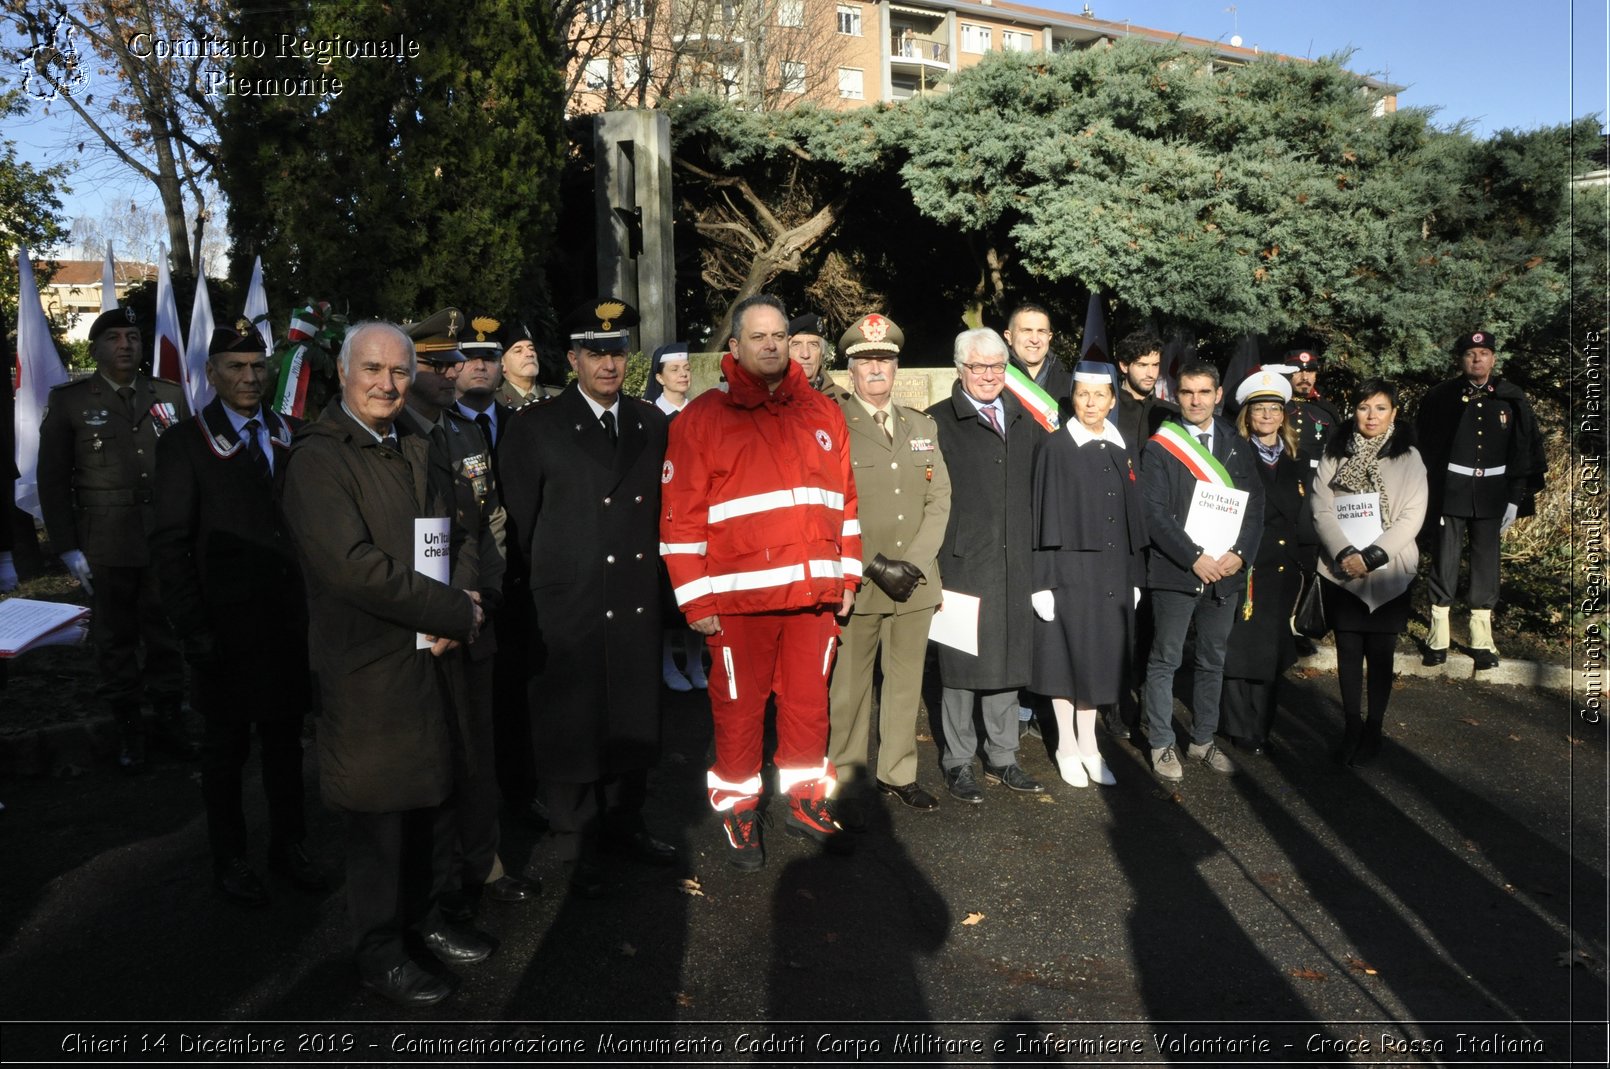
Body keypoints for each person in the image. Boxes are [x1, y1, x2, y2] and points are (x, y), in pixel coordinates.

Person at [280, 320, 488, 1008]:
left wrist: (461, 592)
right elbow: (352, 569)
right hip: (366, 665)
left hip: (430, 656)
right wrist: (452, 611)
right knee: (379, 818)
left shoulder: (417, 442)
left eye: (399, 372)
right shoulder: (318, 458)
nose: (387, 383)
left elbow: (456, 528)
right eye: (372, 369)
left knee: (434, 797)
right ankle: (379, 951)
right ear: (343, 373)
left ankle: (425, 919)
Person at [660, 294, 862, 869]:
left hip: (814, 598)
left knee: (807, 706)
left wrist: (847, 575)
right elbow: (679, 519)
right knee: (738, 711)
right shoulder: (703, 419)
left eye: (779, 336)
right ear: (736, 347)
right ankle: (739, 809)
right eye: (759, 337)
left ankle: (805, 801)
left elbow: (845, 503)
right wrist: (695, 599)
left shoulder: (822, 414)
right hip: (737, 601)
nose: (772, 345)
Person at [500, 298, 676, 897]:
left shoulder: (653, 424)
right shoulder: (534, 426)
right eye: (595, 352)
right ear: (572, 358)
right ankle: (573, 839)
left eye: (618, 351)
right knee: (572, 720)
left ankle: (626, 820)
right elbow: (520, 525)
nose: (608, 363)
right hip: (568, 599)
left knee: (631, 712)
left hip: (631, 595)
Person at [149, 324, 324, 906]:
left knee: (284, 746)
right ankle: (229, 857)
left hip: (287, 625)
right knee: (225, 754)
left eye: (257, 366)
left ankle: (289, 846)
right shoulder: (184, 444)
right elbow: (171, 545)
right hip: (224, 631)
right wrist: (192, 628)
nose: (250, 377)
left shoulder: (290, 434)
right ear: (212, 373)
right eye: (235, 367)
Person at [400, 310, 534, 917]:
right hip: (414, 633)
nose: (458, 370)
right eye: (442, 363)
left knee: (477, 753)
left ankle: (485, 862)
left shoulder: (463, 433)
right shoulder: (392, 436)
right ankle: (434, 880)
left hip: (472, 619)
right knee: (429, 761)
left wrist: (481, 599)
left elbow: (488, 524)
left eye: (458, 360)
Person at [37, 306, 193, 772]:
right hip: (104, 542)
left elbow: (185, 471)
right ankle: (128, 729)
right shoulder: (71, 401)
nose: (125, 345)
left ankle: (170, 721)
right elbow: (52, 478)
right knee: (114, 638)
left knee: (166, 633)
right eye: (114, 338)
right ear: (97, 348)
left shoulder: (168, 395)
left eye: (132, 336)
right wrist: (66, 545)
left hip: (162, 538)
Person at [826, 314, 952, 823]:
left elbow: (939, 498)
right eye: (865, 361)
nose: (875, 369)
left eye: (883, 360)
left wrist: (912, 564)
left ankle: (898, 772)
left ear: (896, 366)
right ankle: (847, 777)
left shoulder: (922, 425)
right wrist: (874, 564)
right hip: (860, 579)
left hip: (914, 582)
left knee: (904, 684)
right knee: (850, 689)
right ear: (850, 369)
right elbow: (828, 506)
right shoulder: (832, 423)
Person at [925, 327, 1044, 803]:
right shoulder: (935, 423)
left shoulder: (1023, 419)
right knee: (960, 667)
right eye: (978, 366)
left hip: (1015, 561)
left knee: (1008, 660)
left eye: (998, 366)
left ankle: (1003, 756)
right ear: (960, 370)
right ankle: (957, 761)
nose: (989, 375)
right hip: (962, 563)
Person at [1139, 361, 1264, 782]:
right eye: (1188, 392)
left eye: (1204, 392)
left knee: (1213, 659)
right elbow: (1153, 514)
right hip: (1178, 571)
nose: (1196, 400)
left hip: (1226, 571)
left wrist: (1242, 553)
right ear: (1176, 395)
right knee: (1165, 659)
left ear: (1218, 394)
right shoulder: (1160, 447)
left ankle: (1203, 740)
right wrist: (1193, 556)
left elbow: (1255, 503)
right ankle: (1160, 743)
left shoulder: (1234, 440)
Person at [1028, 361, 1144, 788]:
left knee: (1098, 660)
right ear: (1072, 398)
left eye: (1099, 396)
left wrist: (1134, 576)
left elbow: (1132, 518)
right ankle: (1066, 746)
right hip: (1068, 571)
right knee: (1065, 657)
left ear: (1113, 400)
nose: (1090, 403)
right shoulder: (1056, 447)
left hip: (1112, 572)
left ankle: (1090, 745)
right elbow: (1040, 516)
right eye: (1082, 395)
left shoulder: (1120, 446)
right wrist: (1041, 582)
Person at [1415, 331, 1547, 670]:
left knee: (1487, 563)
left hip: (1492, 495)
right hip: (1450, 491)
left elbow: (1522, 451)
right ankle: (1438, 636)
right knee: (1445, 558)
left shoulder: (1510, 398)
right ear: (1461, 359)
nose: (1478, 359)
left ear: (1494, 358)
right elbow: (1426, 448)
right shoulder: (1441, 397)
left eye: (1485, 352)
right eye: (1471, 353)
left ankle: (1482, 640)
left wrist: (1515, 499)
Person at [1312, 378, 1427, 765]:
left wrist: (1374, 555)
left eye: (1380, 408)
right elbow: (1320, 505)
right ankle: (1351, 726)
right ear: (1354, 411)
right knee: (1347, 650)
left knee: (1381, 653)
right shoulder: (1336, 451)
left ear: (1394, 412)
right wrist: (1345, 553)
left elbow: (1412, 515)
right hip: (1342, 567)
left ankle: (1374, 727)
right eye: (1364, 407)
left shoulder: (1408, 456)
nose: (1371, 416)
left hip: (1390, 569)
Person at [1219, 368, 1312, 756]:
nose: (1268, 416)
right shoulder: (1232, 454)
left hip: (1283, 570)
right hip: (1248, 563)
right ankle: (1239, 726)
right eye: (1260, 409)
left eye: (1275, 408)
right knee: (1240, 649)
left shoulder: (1298, 459)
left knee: (1272, 651)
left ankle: (1262, 724)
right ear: (1247, 415)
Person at [1109, 329, 1179, 737]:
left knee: (1153, 623)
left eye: (1155, 364)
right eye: (1142, 365)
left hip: (1159, 534)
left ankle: (1146, 703)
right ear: (1123, 366)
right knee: (1121, 622)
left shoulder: (1168, 415)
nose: (1151, 373)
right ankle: (1115, 703)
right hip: (1117, 530)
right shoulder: (1109, 408)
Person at [644, 343, 707, 692]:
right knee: (667, 598)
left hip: (698, 516)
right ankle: (668, 663)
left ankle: (696, 662)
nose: (683, 374)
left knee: (698, 594)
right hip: (664, 518)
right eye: (674, 369)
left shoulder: (700, 412)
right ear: (659, 377)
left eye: (686, 368)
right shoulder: (649, 415)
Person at [1003, 303, 1071, 424]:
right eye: (1026, 331)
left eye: (1041, 331)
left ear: (1049, 337)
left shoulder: (1071, 385)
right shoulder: (995, 381)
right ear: (1009, 337)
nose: (1034, 339)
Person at [1283, 347, 1341, 473]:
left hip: (1314, 478)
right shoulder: (1278, 405)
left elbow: (1335, 452)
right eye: (1298, 371)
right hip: (1280, 475)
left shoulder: (1327, 410)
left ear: (1315, 375)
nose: (1305, 377)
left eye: (1310, 371)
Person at [494, 319, 560, 409]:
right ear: (502, 363)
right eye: (518, 351)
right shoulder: (494, 402)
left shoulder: (560, 397)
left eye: (532, 349)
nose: (529, 354)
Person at [787, 311, 845, 398]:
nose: (805, 354)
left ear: (822, 352)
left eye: (813, 345)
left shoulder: (842, 401)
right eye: (796, 345)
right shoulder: (770, 398)